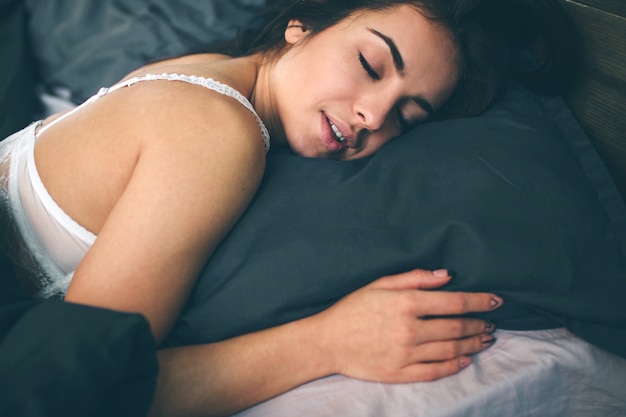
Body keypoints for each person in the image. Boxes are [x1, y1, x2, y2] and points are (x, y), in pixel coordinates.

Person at [0, 0, 576, 416]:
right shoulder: (216, 133)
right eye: (372, 66)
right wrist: (329, 341)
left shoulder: (206, 71)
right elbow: (83, 386)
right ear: (302, 23)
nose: (373, 116)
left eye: (407, 116)